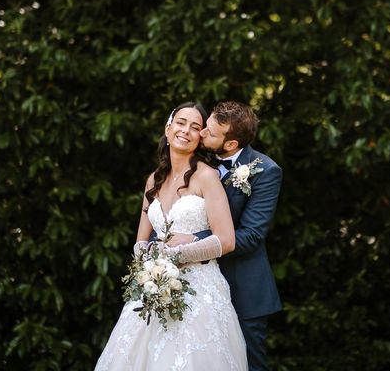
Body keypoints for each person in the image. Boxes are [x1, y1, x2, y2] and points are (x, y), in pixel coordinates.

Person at [94, 102, 248, 370]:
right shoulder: (153, 180)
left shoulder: (207, 177)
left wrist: (175, 254)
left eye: (195, 127)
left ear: (200, 137)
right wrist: (153, 261)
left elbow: (226, 240)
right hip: (154, 287)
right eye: (180, 122)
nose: (186, 130)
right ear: (168, 129)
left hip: (199, 290)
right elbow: (141, 242)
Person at [166, 101, 283, 371]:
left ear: (230, 144)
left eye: (210, 132)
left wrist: (196, 239)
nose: (201, 134)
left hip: (243, 288)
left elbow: (251, 235)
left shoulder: (265, 171)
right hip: (194, 286)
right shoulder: (199, 160)